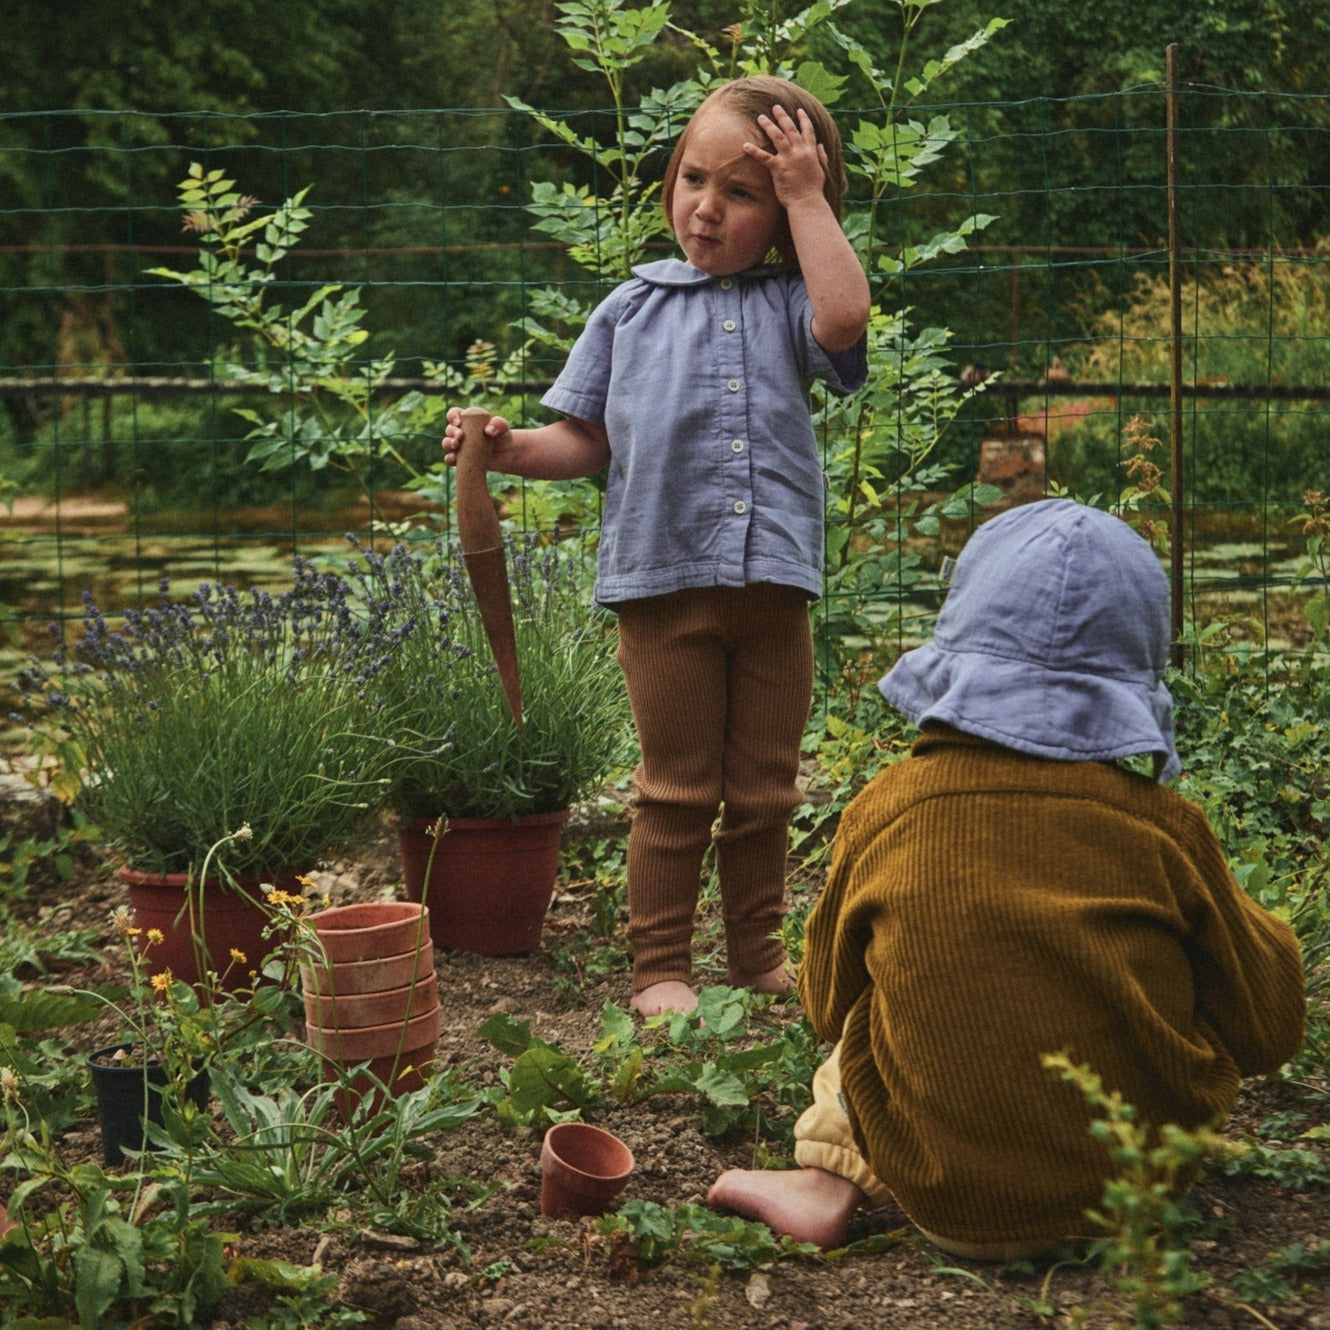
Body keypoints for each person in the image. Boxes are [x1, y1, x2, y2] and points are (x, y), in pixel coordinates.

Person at [708, 498, 1306, 1258]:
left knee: (866, 1019)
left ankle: (826, 1177)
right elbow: (1270, 1026)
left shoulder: (886, 811)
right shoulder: (1163, 830)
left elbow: (827, 1000)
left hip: (944, 1199)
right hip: (1137, 1194)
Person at [444, 76, 871, 1017]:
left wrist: (806, 197)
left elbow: (846, 322)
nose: (706, 209)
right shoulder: (629, 309)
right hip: (661, 590)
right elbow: (587, 439)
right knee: (676, 791)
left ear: (794, 210)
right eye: (691, 180)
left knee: (765, 791)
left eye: (744, 193)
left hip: (773, 591)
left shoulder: (793, 304)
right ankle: (660, 970)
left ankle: (757, 953)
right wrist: (512, 449)